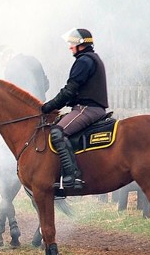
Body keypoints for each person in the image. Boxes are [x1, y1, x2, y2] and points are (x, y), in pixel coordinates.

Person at [0, 45, 50, 247]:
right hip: (42, 118)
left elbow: (10, 100)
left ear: (5, 54)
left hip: (24, 124)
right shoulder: (34, 60)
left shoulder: (11, 68)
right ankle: (6, 228)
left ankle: (7, 228)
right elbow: (47, 85)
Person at [41, 28, 108, 189]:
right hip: (85, 107)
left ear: (81, 44)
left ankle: (72, 177)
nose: (70, 47)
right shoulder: (90, 59)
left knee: (57, 132)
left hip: (87, 108)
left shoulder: (84, 61)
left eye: (72, 43)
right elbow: (72, 93)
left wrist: (48, 106)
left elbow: (69, 90)